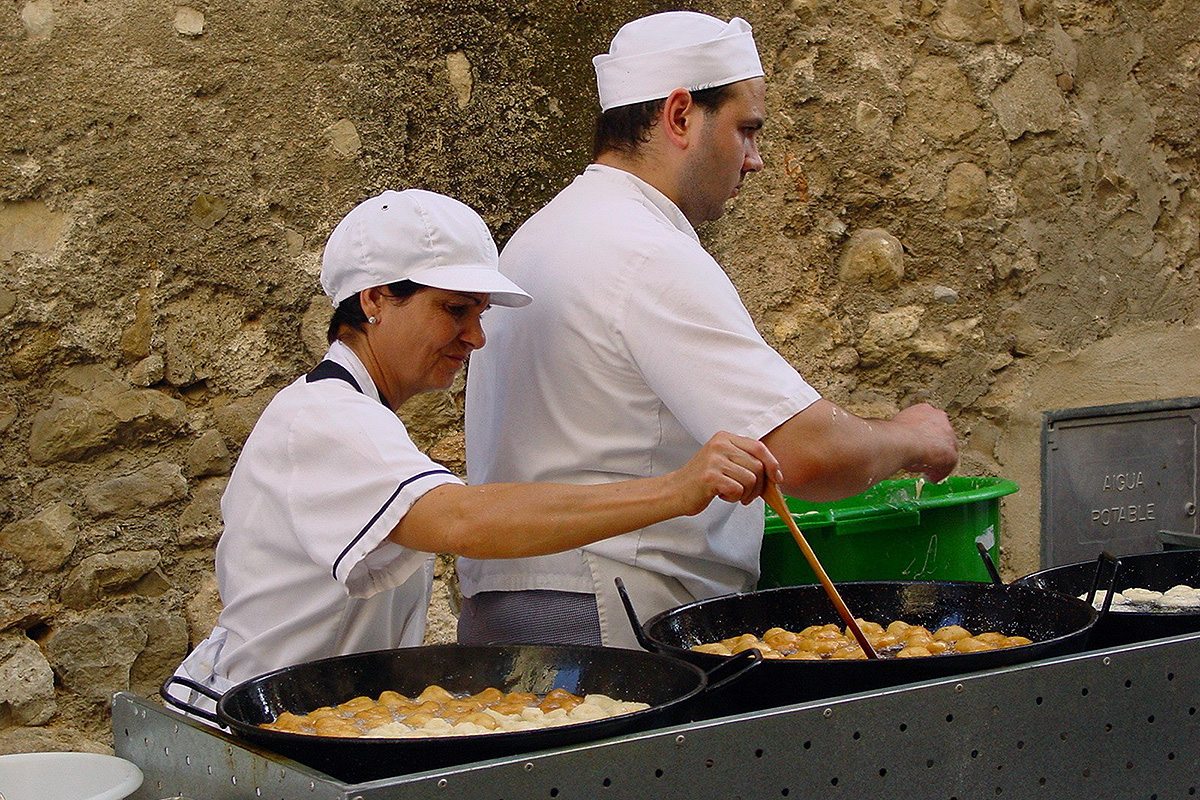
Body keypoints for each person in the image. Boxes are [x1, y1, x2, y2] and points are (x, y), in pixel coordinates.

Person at [459, 12, 959, 648]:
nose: (753, 161)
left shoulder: (545, 233)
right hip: (605, 608)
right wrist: (914, 438)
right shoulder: (644, 250)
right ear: (678, 116)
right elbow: (805, 454)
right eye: (746, 131)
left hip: (514, 601)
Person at [168, 188, 780, 708]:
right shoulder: (325, 419)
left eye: (480, 313)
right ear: (375, 298)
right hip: (249, 718)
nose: (477, 337)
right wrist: (676, 490)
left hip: (307, 713)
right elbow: (466, 520)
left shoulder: (356, 418)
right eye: (455, 310)